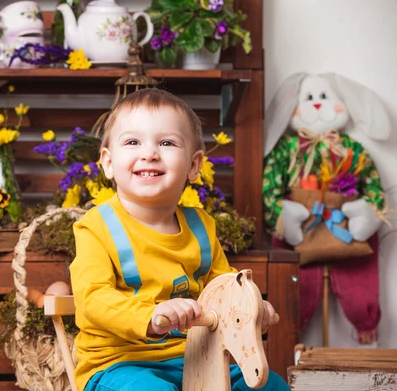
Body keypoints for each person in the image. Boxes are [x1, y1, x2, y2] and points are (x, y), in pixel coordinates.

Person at [69, 88, 289, 391]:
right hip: (120, 364)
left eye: (167, 143)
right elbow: (93, 299)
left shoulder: (201, 226)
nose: (149, 153)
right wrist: (151, 315)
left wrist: (251, 308)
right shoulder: (96, 227)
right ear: (108, 162)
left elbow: (226, 289)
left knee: (269, 386)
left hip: (199, 358)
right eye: (133, 142)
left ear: (194, 165)